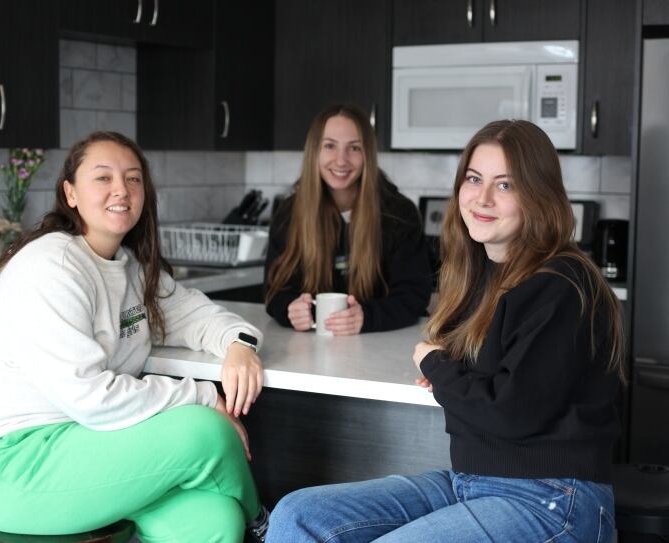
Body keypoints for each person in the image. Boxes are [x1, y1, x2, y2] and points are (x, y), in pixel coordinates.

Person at [266, 120, 625, 543]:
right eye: (474, 179)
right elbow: (494, 378)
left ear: (538, 194)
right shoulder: (486, 274)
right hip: (472, 481)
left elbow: (508, 411)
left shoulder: (561, 285)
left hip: (552, 498)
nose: (483, 198)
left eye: (506, 185)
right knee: (297, 515)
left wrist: (436, 365)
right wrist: (453, 375)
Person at [0, 131, 269, 542]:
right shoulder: (50, 266)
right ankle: (266, 527)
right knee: (206, 431)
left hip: (91, 444)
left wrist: (239, 344)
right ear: (70, 193)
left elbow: (196, 315)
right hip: (11, 464)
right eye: (103, 177)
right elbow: (91, 398)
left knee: (214, 520)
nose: (122, 189)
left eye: (133, 178)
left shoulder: (129, 267)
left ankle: (246, 521)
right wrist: (205, 396)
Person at [264, 104, 432, 335]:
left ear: (367, 155)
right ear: (315, 151)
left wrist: (367, 317)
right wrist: (289, 309)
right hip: (308, 351)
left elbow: (413, 296)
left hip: (381, 347)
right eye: (330, 146)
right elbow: (274, 291)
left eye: (354, 148)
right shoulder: (289, 213)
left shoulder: (399, 214)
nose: (341, 160)